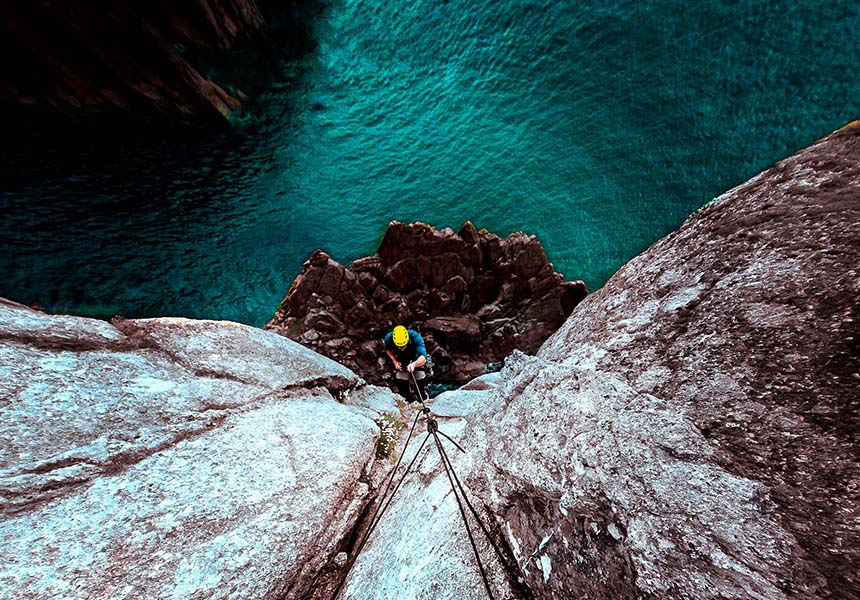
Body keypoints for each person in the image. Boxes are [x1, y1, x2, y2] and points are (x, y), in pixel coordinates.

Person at [383, 325, 430, 402]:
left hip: (416, 360)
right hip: (402, 361)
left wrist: (414, 364)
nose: (402, 349)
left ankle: (423, 398)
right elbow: (387, 349)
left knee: (420, 387)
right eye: (399, 347)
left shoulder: (415, 337)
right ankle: (408, 401)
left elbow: (423, 357)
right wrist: (395, 362)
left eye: (404, 346)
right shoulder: (388, 338)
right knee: (402, 388)